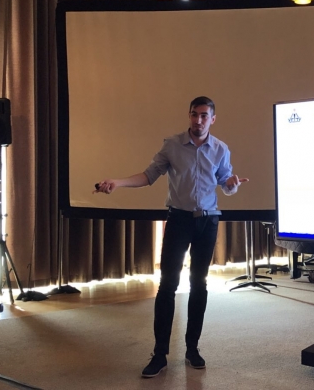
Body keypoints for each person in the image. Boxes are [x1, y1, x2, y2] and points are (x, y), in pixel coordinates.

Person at [94, 96, 248, 378]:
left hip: (208, 221)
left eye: (204, 115)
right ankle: (160, 354)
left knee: (199, 284)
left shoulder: (220, 149)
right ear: (189, 116)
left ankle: (192, 348)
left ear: (213, 119)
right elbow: (148, 175)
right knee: (167, 285)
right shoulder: (172, 145)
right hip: (179, 220)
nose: (198, 120)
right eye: (194, 114)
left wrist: (232, 185)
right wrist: (118, 182)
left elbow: (226, 185)